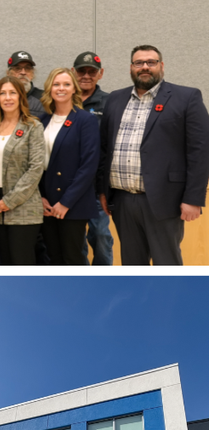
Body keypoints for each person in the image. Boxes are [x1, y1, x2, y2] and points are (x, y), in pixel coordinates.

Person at [98, 44, 209, 265]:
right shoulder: (115, 99)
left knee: (166, 263)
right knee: (131, 264)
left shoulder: (186, 97)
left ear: (162, 66)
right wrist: (102, 191)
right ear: (131, 68)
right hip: (122, 200)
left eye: (151, 62)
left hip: (164, 200)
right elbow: (104, 148)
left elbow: (201, 150)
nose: (145, 67)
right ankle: (138, 301)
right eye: (139, 63)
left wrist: (193, 198)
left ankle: (171, 301)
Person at [0, 76, 45, 265]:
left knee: (21, 263)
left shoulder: (32, 126)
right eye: (2, 93)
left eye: (12, 93)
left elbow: (35, 169)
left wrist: (9, 201)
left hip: (23, 208)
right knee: (5, 263)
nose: (7, 98)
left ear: (20, 97)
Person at [38, 68, 100, 265]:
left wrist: (66, 202)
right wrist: (40, 197)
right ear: (50, 88)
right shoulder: (43, 120)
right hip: (47, 202)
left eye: (66, 84)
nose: (61, 88)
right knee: (53, 257)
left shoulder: (85, 120)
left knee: (73, 258)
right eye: (56, 84)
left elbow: (89, 166)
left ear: (75, 89)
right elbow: (37, 162)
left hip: (73, 203)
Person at [72, 51, 113, 265]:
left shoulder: (110, 103)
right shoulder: (62, 100)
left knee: (100, 236)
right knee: (74, 240)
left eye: (92, 71)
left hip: (97, 186)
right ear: (73, 72)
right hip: (69, 185)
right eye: (81, 71)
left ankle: (104, 278)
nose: (86, 75)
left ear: (101, 74)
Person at [6, 51, 45, 117]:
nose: (23, 72)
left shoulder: (44, 99)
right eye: (18, 68)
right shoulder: (2, 98)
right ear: (9, 73)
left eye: (27, 68)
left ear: (32, 73)